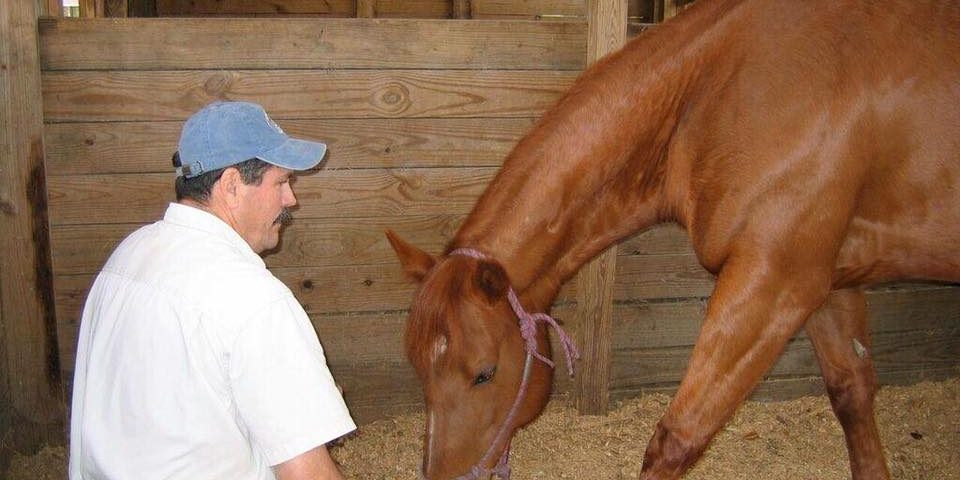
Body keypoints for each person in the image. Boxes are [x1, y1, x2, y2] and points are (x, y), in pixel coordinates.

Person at [69, 101, 356, 480]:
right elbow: (307, 475)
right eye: (281, 182)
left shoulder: (126, 259)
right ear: (232, 185)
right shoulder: (254, 299)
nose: (291, 199)